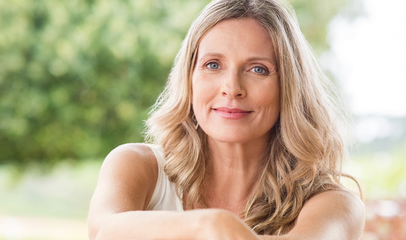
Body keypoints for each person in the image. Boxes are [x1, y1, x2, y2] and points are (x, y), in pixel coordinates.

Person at [88, 0, 365, 239]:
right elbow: (102, 232)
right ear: (190, 78)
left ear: (289, 88)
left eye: (258, 69)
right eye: (213, 65)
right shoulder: (139, 166)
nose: (232, 88)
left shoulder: (334, 204)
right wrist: (210, 224)